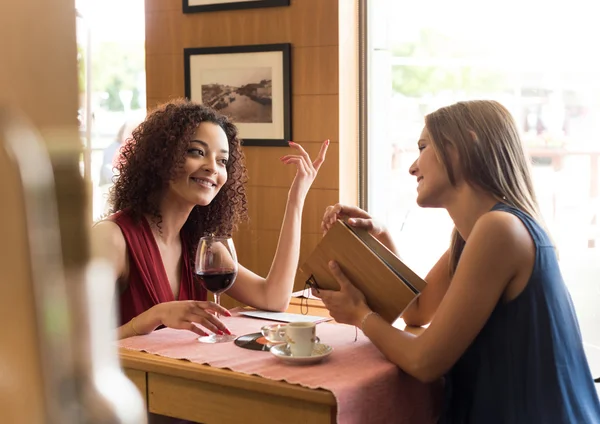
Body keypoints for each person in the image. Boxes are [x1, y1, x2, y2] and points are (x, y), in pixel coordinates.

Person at [317, 100, 600, 423]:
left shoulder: (500, 231)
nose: (412, 167)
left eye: (423, 147)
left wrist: (360, 315)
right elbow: (417, 309)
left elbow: (424, 362)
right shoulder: (479, 233)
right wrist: (381, 237)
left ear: (462, 148)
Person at [92, 98, 328, 340]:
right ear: (161, 156)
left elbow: (273, 298)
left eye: (222, 160)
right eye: (197, 152)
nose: (212, 167)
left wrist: (296, 198)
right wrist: (152, 317)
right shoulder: (111, 238)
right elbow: (67, 346)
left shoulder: (201, 246)